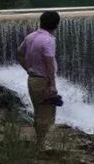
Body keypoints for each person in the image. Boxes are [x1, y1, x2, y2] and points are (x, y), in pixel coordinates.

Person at [16, 11, 61, 150]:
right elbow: (49, 64)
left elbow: (19, 53)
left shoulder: (31, 36)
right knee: (46, 113)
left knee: (39, 111)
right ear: (56, 25)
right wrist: (52, 85)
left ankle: (40, 142)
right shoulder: (49, 40)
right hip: (43, 81)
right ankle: (41, 144)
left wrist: (28, 69)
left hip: (32, 79)